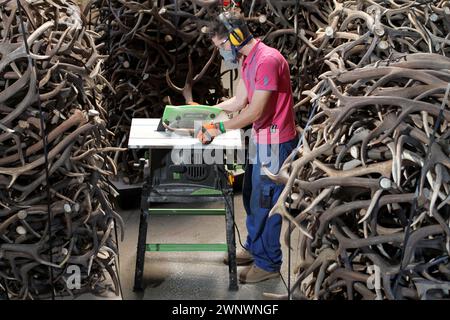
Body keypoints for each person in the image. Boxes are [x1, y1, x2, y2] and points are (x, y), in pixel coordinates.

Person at [196, 11, 299, 283]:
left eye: (220, 46)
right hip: (259, 139)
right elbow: (239, 100)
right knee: (253, 196)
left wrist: (217, 128)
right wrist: (204, 111)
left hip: (275, 143)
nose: (220, 52)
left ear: (236, 37)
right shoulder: (247, 60)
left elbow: (255, 111)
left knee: (267, 201)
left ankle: (268, 263)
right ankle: (255, 248)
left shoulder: (267, 60)